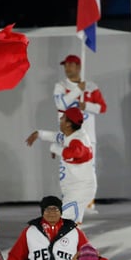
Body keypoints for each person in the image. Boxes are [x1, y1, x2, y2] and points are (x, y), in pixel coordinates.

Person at [54, 54, 107, 213]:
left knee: (89, 169)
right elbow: (61, 104)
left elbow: (102, 108)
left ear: (78, 67)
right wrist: (78, 90)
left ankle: (88, 204)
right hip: (69, 135)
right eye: (65, 65)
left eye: (70, 65)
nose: (67, 68)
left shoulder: (91, 86)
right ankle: (69, 202)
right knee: (69, 168)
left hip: (88, 135)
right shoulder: (61, 85)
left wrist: (87, 106)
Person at [25, 107, 95, 224]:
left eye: (63, 118)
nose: (60, 120)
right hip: (74, 189)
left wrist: (54, 148)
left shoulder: (79, 140)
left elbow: (74, 152)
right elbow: (55, 136)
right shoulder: (70, 135)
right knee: (71, 225)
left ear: (68, 124)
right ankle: (78, 241)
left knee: (59, 221)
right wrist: (39, 134)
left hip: (79, 190)